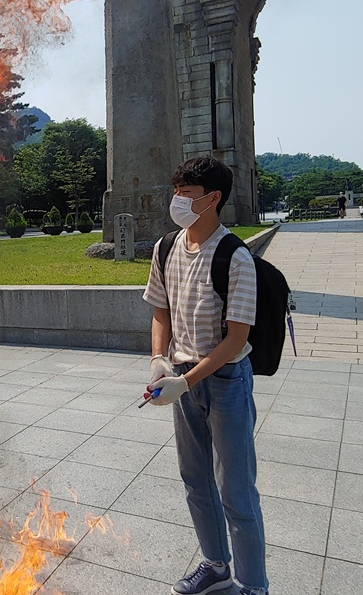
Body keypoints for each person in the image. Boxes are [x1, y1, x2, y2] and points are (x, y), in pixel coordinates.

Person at [143, 156, 267, 595]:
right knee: (195, 480)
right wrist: (160, 360)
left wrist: (186, 380)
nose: (177, 201)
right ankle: (216, 566)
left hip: (225, 381)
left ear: (212, 199)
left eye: (187, 194)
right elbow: (162, 310)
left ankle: (253, 586)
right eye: (176, 191)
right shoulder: (166, 247)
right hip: (180, 375)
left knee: (235, 489)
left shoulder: (235, 256)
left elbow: (236, 340)